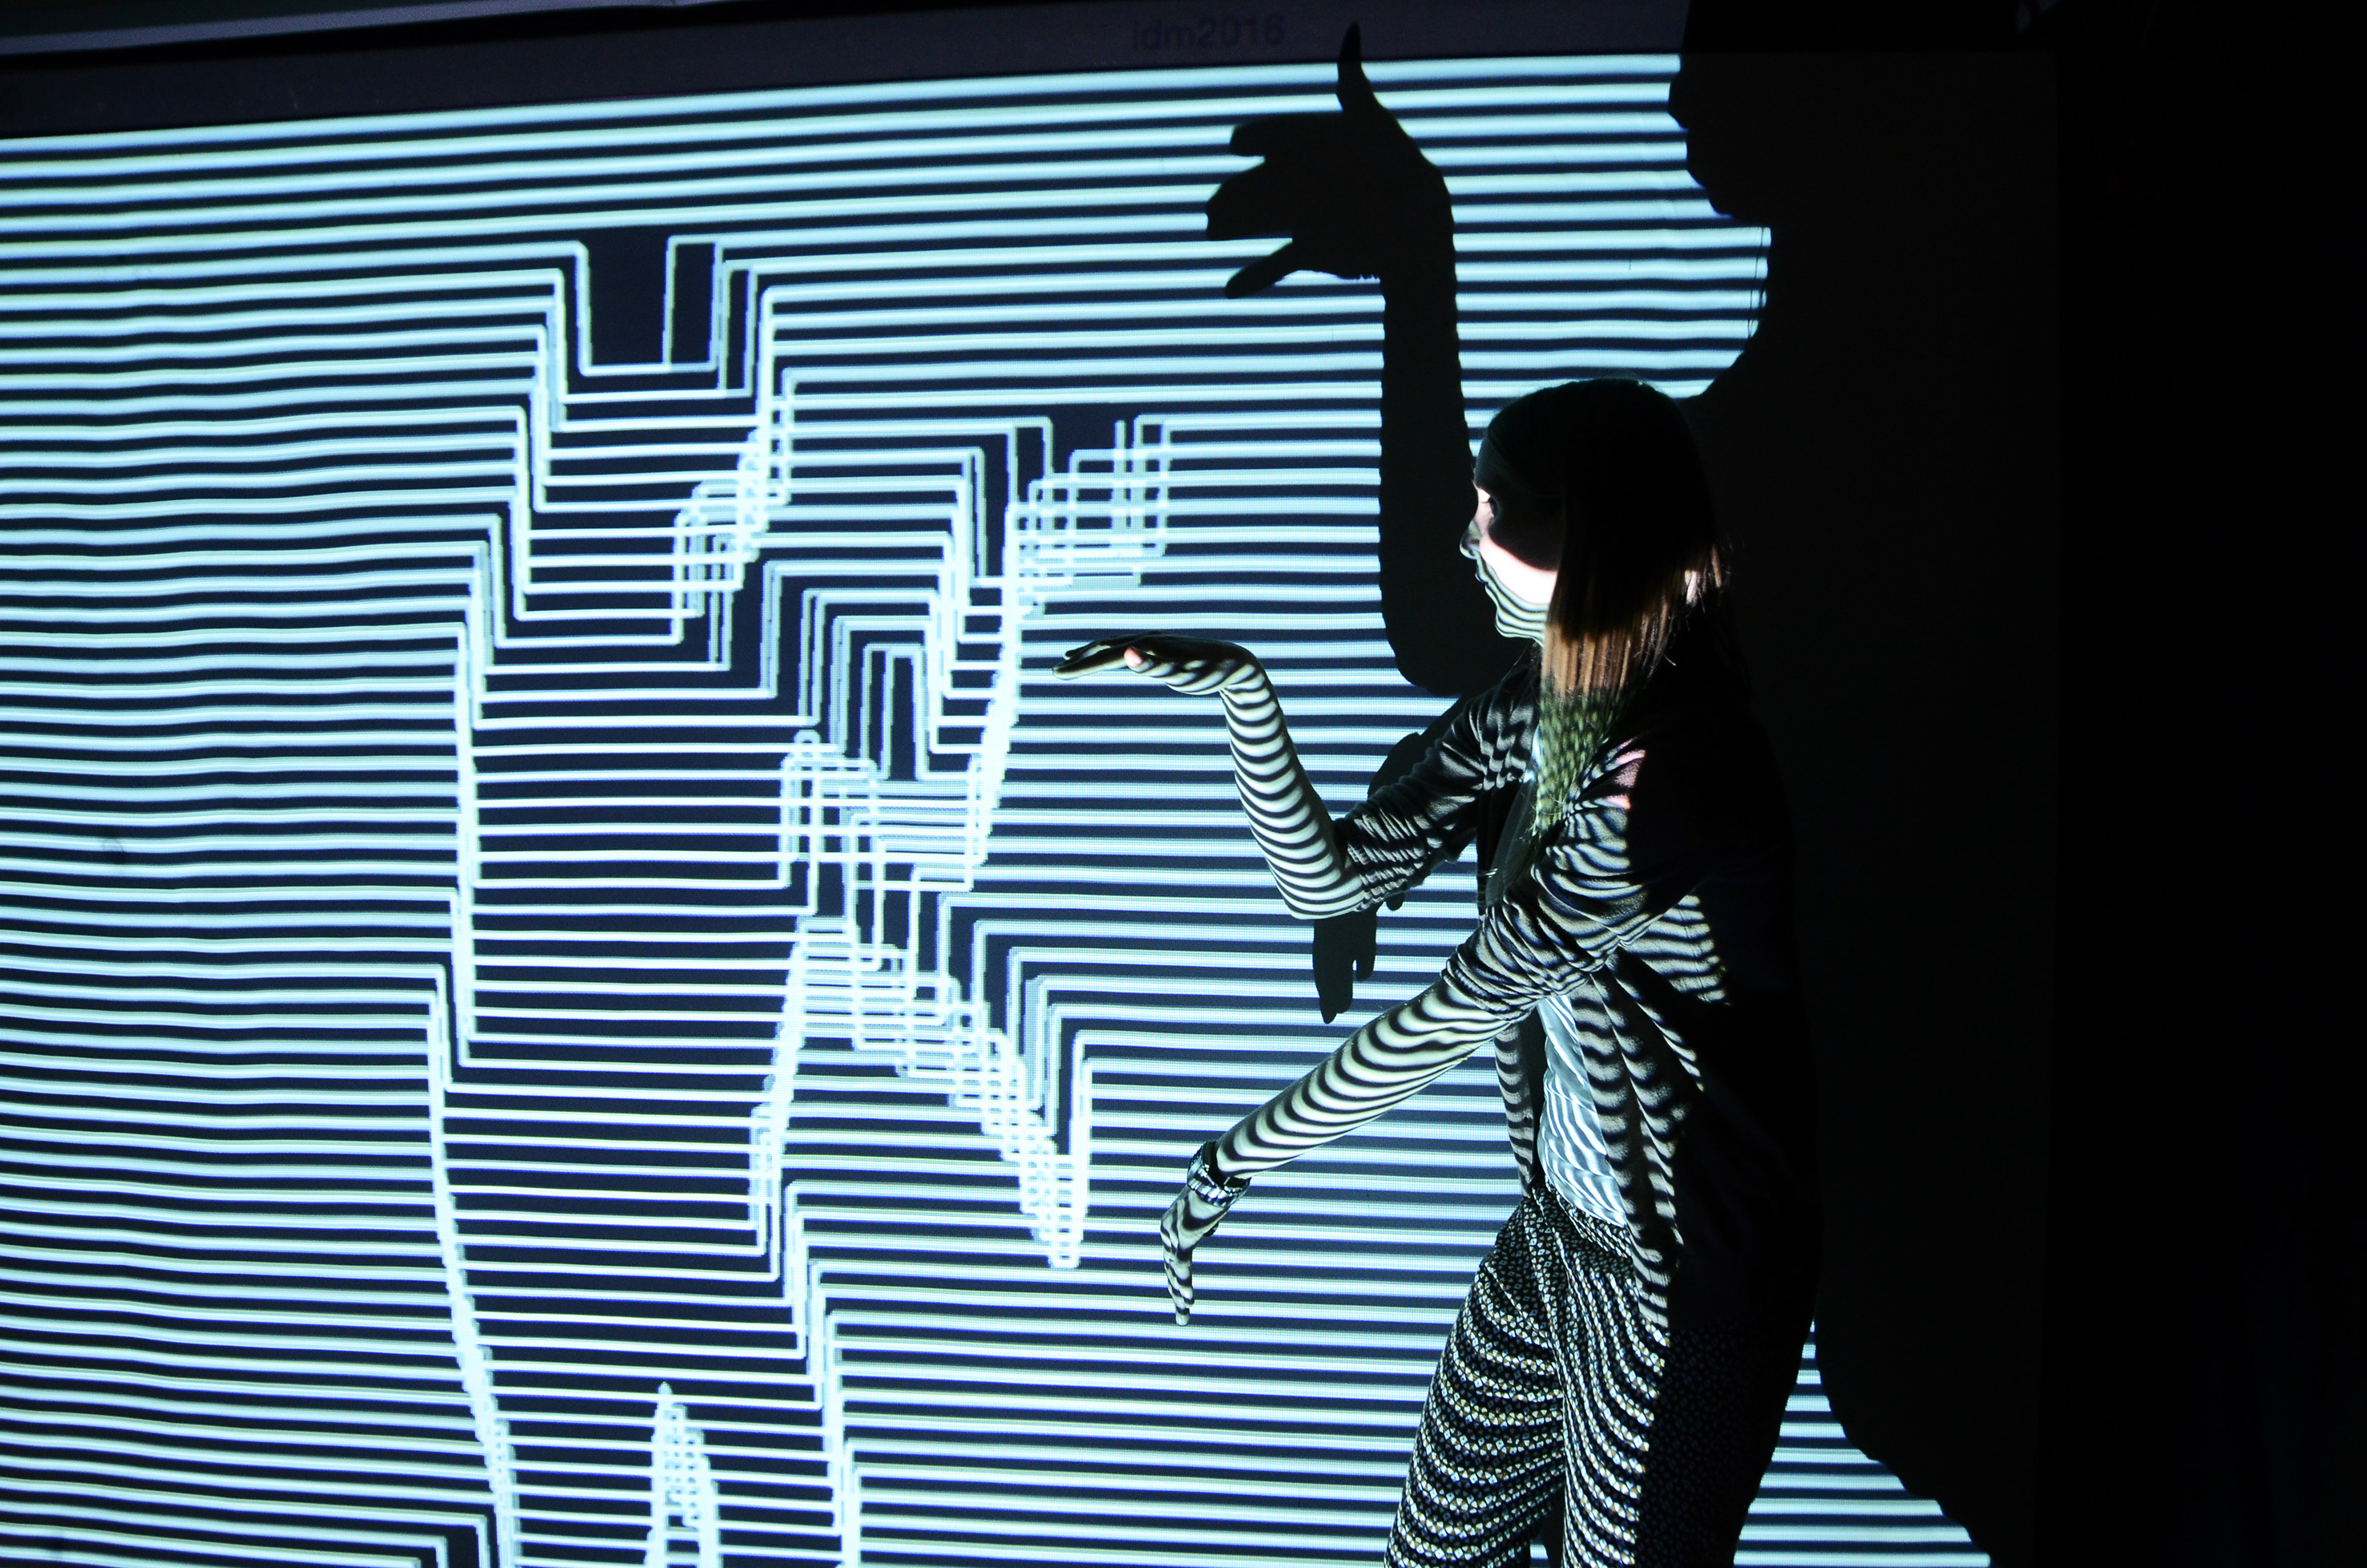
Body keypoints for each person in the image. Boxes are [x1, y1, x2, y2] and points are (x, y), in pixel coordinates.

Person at [1055, 377, 1820, 1566]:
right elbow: (1332, 882)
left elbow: (1469, 1000)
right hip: (1558, 1233)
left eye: (1498, 505)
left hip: (1681, 1282)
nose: (1467, 534)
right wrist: (1242, 692)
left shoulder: (1674, 767)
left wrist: (1234, 1156)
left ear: (1592, 529)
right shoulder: (1538, 707)